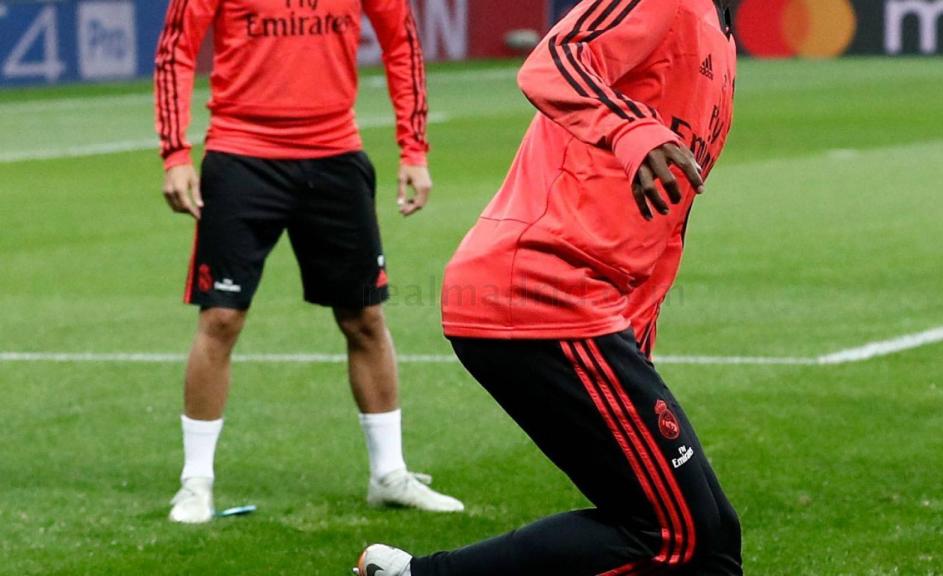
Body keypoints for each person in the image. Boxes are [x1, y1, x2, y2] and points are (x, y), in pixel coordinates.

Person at [356, 0, 740, 573]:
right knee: (674, 533)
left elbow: (664, 224)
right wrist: (630, 129)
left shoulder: (723, 41)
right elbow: (554, 58)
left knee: (711, 541)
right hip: (538, 288)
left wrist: (634, 342)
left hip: (590, 308)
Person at [154, 0, 463, 524]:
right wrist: (175, 153)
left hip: (335, 155)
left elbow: (402, 44)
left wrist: (414, 149)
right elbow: (175, 51)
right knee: (221, 317)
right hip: (241, 156)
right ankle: (195, 482)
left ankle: (389, 474)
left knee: (364, 316)